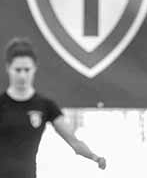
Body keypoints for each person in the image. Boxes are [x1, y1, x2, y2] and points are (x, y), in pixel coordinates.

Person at [0, 37, 106, 178]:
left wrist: (95, 157)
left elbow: (74, 141)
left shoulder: (45, 106)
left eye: (27, 70)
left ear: (34, 69)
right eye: (17, 70)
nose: (22, 75)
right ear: (8, 68)